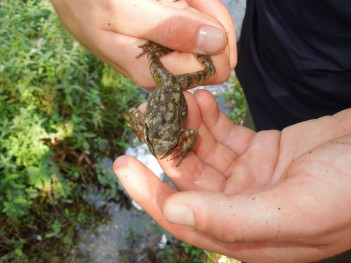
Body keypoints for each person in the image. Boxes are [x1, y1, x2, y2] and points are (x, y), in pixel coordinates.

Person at [51, 0, 351, 262]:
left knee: (203, 74)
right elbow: (138, 116)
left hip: (192, 89)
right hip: (250, 74)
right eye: (161, 145)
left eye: (164, 146)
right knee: (160, 60)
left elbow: (179, 131)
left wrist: (166, 141)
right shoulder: (163, 133)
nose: (163, 150)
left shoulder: (176, 137)